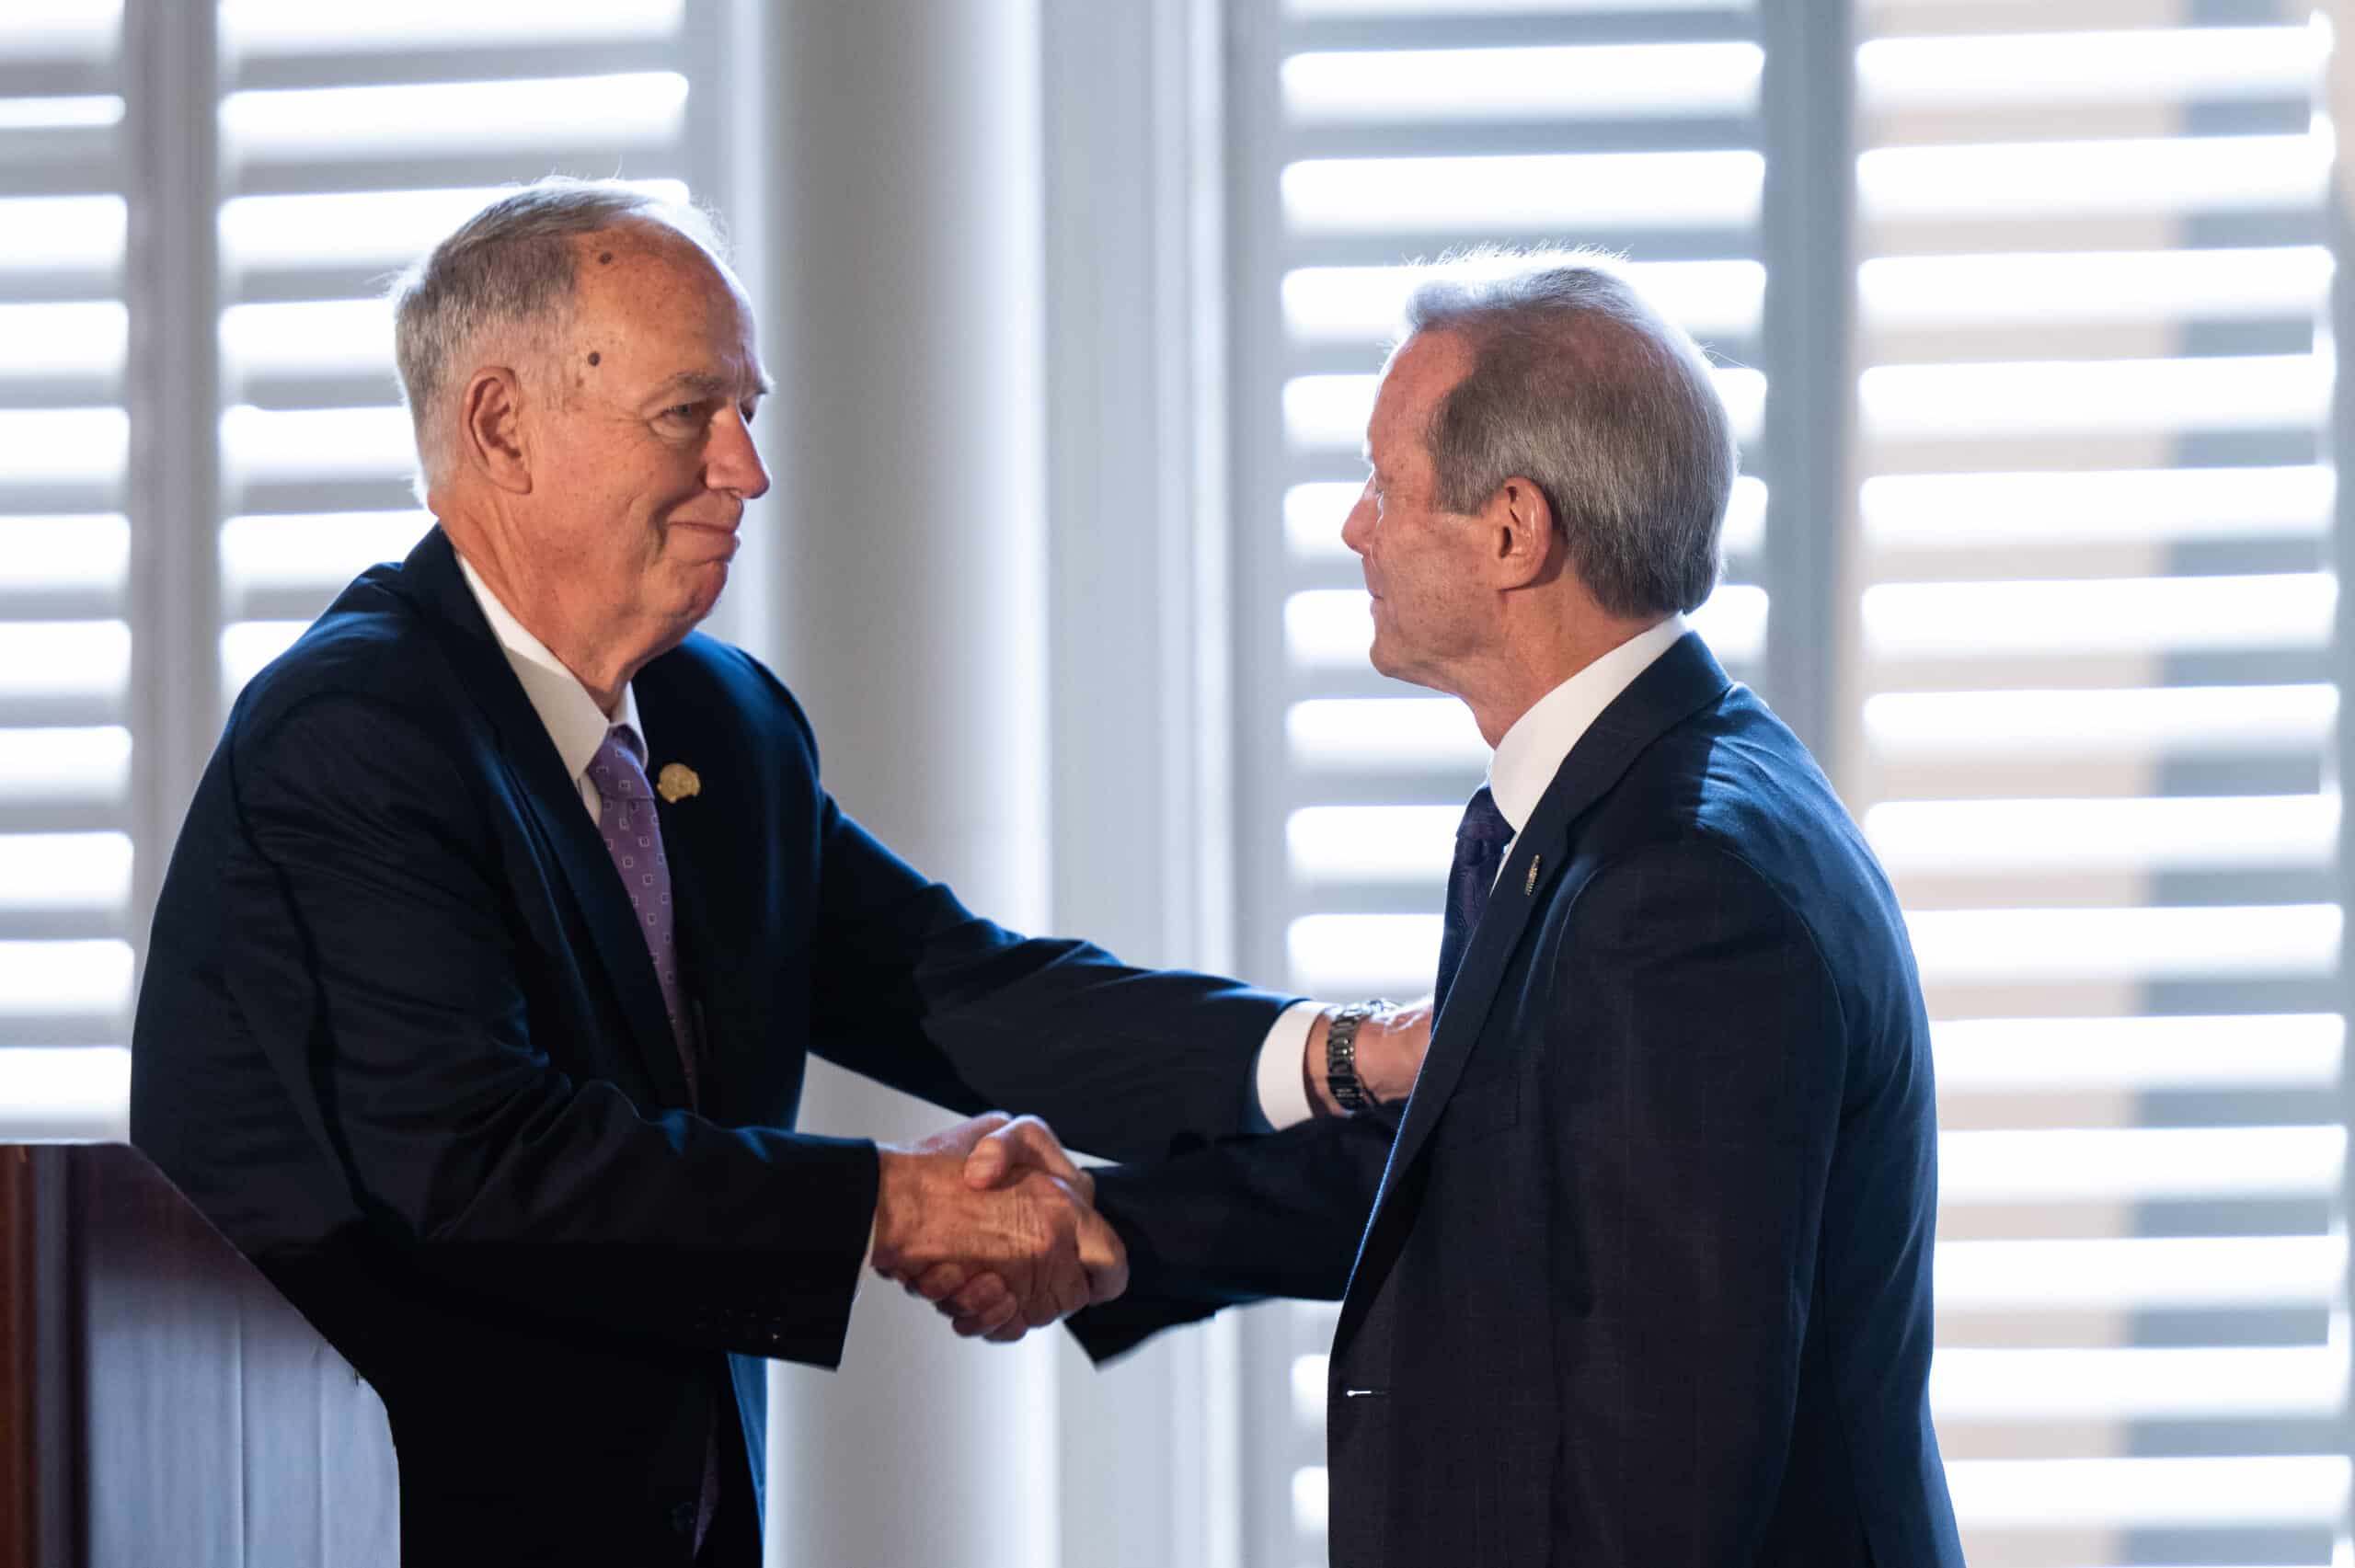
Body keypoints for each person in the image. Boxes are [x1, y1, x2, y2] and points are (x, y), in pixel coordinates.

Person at [127, 179, 1425, 1566]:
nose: (747, 469)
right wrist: (891, 1201)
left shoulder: (724, 724)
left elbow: (963, 990)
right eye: (688, 412)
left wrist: (1350, 1056)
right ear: (502, 427)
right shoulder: (352, 736)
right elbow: (480, 1168)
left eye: (747, 411)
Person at [1041, 263, 1965, 1565]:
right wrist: (1112, 1226)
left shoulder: (1680, 893)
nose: (1354, 527)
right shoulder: (1645, 793)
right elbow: (1474, 1165)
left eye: (1385, 485)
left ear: (1514, 530)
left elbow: (1667, 1483)